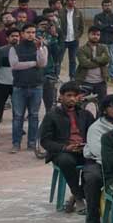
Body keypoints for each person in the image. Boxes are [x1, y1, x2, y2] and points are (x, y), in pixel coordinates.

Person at [39, 81, 95, 212]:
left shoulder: (86, 115)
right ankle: (79, 197)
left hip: (84, 150)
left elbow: (94, 135)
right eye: (69, 95)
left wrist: (86, 146)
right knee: (66, 161)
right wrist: (65, 148)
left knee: (96, 165)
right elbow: (45, 141)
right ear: (61, 97)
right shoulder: (52, 115)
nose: (72, 99)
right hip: (62, 152)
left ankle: (77, 195)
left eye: (75, 96)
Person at [82, 95, 113, 223]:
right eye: (112, 106)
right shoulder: (96, 127)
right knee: (93, 179)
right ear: (104, 109)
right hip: (97, 162)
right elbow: (97, 151)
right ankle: (92, 222)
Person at [9, 22, 47, 153]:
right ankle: (16, 144)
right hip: (19, 87)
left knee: (34, 116)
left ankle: (32, 143)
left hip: (36, 86)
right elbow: (15, 65)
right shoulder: (15, 48)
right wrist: (33, 63)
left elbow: (42, 63)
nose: (31, 35)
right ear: (22, 34)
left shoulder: (41, 47)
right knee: (18, 116)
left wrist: (39, 49)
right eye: (28, 32)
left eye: (33, 32)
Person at [93, 0, 113, 81]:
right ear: (102, 6)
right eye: (105, 5)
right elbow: (97, 27)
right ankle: (103, 76)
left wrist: (103, 25)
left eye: (109, 5)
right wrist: (109, 25)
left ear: (111, 6)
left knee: (112, 60)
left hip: (112, 41)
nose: (107, 7)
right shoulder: (97, 17)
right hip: (101, 41)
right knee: (102, 60)